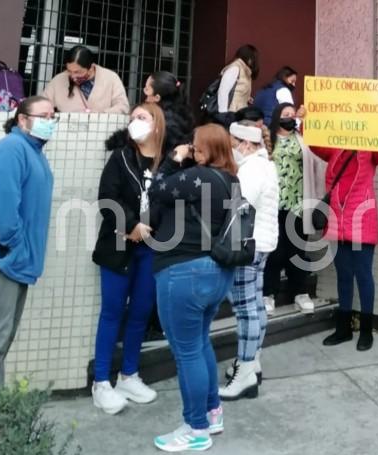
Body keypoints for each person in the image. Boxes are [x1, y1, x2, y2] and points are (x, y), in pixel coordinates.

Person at [148, 124, 238, 452]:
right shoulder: (231, 179)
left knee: (186, 352)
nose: (192, 149)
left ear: (206, 149)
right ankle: (213, 413)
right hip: (216, 273)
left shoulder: (197, 176)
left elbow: (156, 188)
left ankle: (195, 427)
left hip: (183, 273)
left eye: (196, 146)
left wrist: (173, 159)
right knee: (199, 344)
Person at [0, 96, 56, 391]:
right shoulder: (11, 149)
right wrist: (16, 247)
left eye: (53, 116)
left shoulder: (33, 151)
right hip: (0, 262)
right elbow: (3, 209)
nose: (50, 120)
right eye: (44, 115)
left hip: (15, 263)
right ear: (22, 119)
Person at [90, 103, 166, 414]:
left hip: (152, 248)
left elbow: (174, 201)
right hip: (119, 246)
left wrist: (151, 230)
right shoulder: (120, 157)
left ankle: (129, 375)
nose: (135, 122)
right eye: (132, 117)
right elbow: (107, 198)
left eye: (142, 117)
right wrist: (131, 224)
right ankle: (101, 383)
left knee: (140, 312)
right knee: (112, 312)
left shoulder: (167, 162)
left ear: (157, 124)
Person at [314, 111, 378, 352]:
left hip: (361, 219)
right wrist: (306, 121)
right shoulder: (335, 147)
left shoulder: (371, 147)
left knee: (364, 275)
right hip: (336, 219)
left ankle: (365, 330)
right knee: (343, 274)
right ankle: (343, 328)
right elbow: (315, 143)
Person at [218, 122, 279, 401]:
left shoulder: (252, 169)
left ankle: (243, 373)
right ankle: (252, 362)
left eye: (233, 142)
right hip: (261, 244)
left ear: (245, 144)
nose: (231, 148)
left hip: (247, 245)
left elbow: (239, 203)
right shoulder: (265, 165)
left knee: (246, 310)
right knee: (254, 304)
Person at [263, 103, 326, 315]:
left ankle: (300, 292)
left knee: (298, 250)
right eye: (285, 114)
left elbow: (317, 165)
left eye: (292, 115)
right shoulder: (267, 140)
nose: (289, 117)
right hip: (273, 204)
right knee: (275, 250)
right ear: (276, 117)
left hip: (299, 204)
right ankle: (268, 293)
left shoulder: (303, 140)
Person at [42, 45, 129, 114]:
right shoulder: (58, 80)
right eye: (69, 71)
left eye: (77, 72)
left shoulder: (111, 78)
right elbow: (41, 105)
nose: (73, 76)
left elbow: (123, 107)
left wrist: (100, 115)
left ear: (91, 68)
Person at [143, 71, 195, 154]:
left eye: (147, 89)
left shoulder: (162, 122)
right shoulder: (183, 113)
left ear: (157, 98)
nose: (144, 95)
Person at [217, 44, 259, 113]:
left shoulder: (245, 70)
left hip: (238, 112)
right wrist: (223, 114)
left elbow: (237, 90)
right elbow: (223, 91)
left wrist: (246, 97)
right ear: (249, 59)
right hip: (231, 112)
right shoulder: (235, 68)